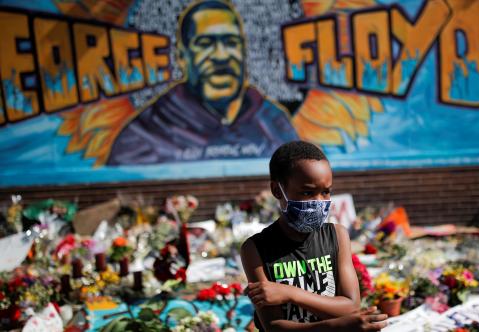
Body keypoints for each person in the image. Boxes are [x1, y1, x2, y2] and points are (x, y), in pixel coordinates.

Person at [107, 0, 298, 165]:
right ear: (182, 57)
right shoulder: (145, 135)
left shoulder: (274, 122)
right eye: (205, 44)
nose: (221, 56)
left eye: (231, 42)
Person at [241, 141, 388, 331]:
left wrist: (291, 293)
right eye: (308, 192)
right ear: (277, 190)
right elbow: (274, 327)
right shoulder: (256, 249)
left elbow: (351, 305)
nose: (319, 202)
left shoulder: (337, 235)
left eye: (326, 192)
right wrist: (338, 325)